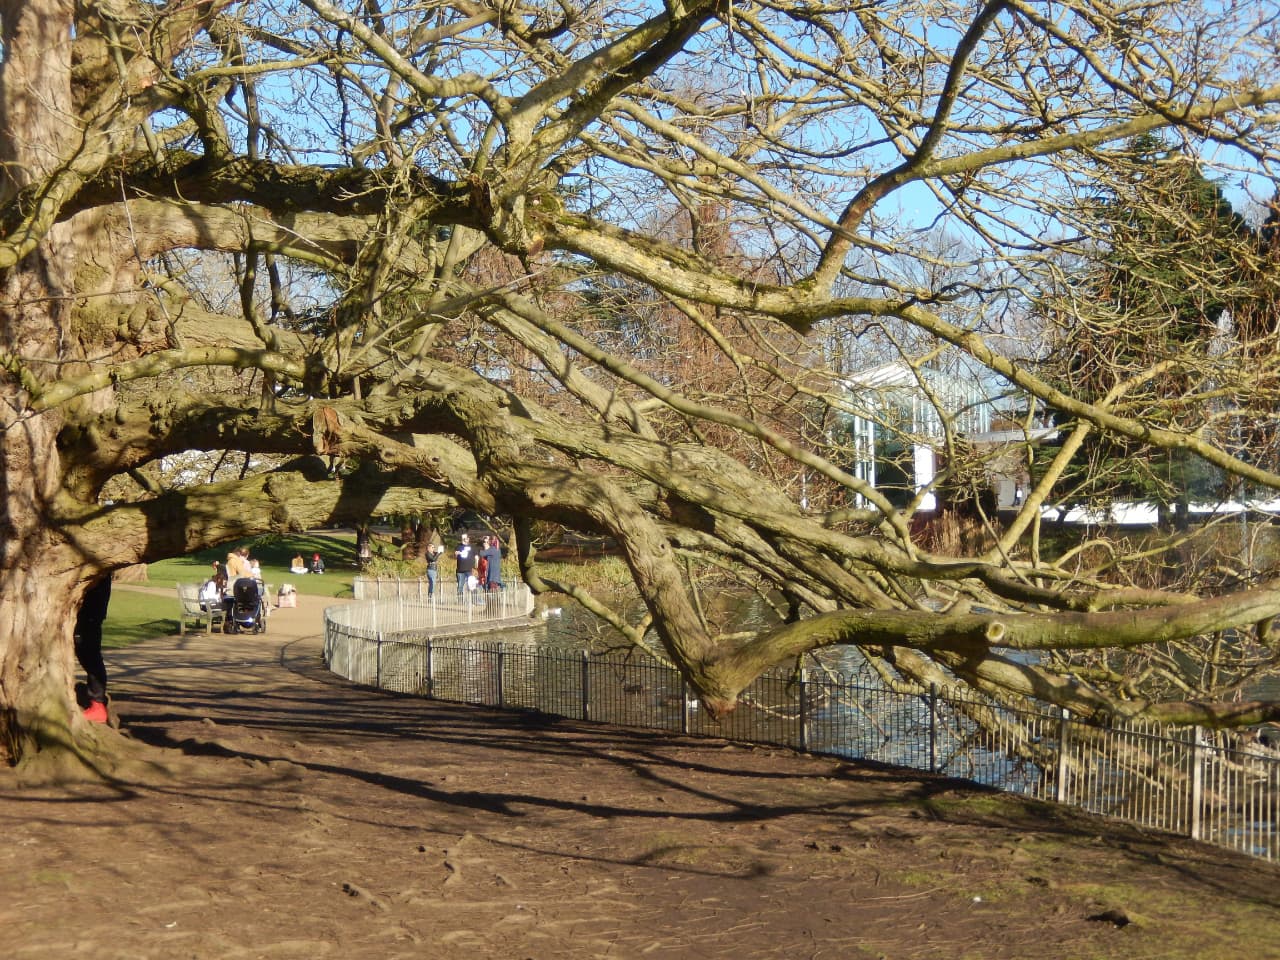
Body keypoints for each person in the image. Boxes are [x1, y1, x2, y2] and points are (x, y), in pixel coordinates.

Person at [75, 575, 113, 724]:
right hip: (89, 612)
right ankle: (97, 703)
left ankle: (97, 705)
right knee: (86, 653)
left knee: (90, 654)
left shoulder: (100, 572)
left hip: (91, 612)